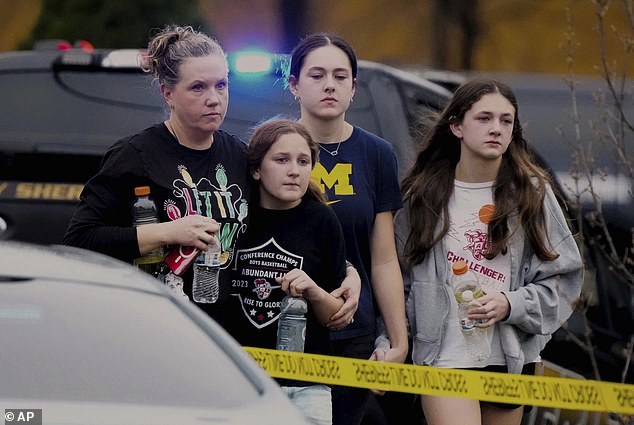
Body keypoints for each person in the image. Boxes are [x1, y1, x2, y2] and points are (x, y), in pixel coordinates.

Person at [393, 77, 583, 425]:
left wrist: (510, 303)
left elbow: (564, 280)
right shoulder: (422, 195)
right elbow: (396, 279)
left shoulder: (532, 193)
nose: (496, 128)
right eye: (484, 118)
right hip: (442, 356)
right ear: (456, 126)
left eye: (505, 120)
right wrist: (392, 338)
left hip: (509, 357)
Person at [62, 25, 249, 317]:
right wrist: (168, 232)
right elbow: (80, 240)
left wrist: (347, 269)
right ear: (168, 94)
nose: (213, 98)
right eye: (198, 87)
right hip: (148, 321)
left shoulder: (239, 156)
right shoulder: (134, 155)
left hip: (219, 332)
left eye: (221, 85)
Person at [286, 32, 409, 425]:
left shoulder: (377, 154)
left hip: (351, 333)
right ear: (294, 85)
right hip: (280, 326)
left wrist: (398, 339)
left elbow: (384, 259)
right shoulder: (273, 149)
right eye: (317, 75)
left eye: (341, 76)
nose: (329, 85)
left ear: (354, 88)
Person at [222, 118, 347, 425]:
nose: (294, 170)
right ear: (256, 169)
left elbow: (335, 317)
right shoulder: (235, 215)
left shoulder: (322, 221)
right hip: (243, 382)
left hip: (306, 387)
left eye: (304, 161)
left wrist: (314, 291)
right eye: (281, 160)